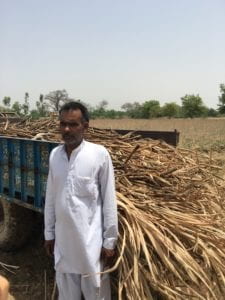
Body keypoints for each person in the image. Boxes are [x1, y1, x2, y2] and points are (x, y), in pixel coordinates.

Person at [44, 101, 118, 300]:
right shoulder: (55, 155)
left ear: (85, 126)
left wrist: (109, 241)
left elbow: (109, 199)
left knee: (96, 293)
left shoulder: (98, 154)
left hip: (90, 243)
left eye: (73, 124)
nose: (66, 129)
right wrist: (49, 233)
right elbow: (51, 196)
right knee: (67, 294)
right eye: (62, 124)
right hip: (63, 241)